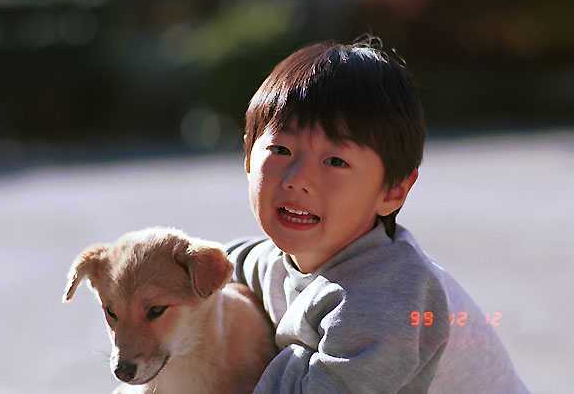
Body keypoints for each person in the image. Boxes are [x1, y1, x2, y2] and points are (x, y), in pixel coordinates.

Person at [226, 36, 528, 393]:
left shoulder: (388, 297)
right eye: (281, 149)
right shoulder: (271, 262)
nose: (298, 180)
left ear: (393, 191)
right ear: (249, 156)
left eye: (335, 160)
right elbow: (217, 265)